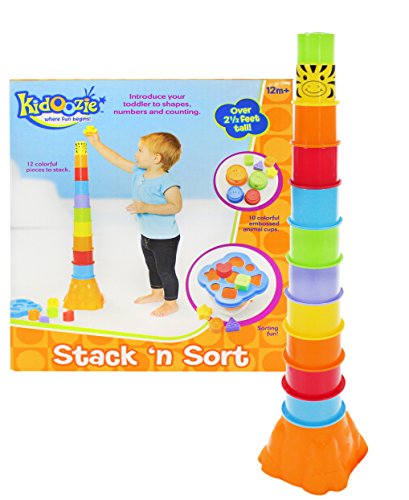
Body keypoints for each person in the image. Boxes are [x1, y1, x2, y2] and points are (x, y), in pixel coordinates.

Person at [87, 131, 182, 317]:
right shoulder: (139, 172)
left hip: (165, 238)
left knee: (166, 271)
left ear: (156, 158)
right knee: (152, 266)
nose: (135, 154)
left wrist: (146, 207)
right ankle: (156, 293)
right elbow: (116, 159)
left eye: (140, 150)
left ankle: (171, 303)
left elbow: (175, 206)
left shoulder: (168, 183)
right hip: (147, 234)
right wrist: (96, 143)